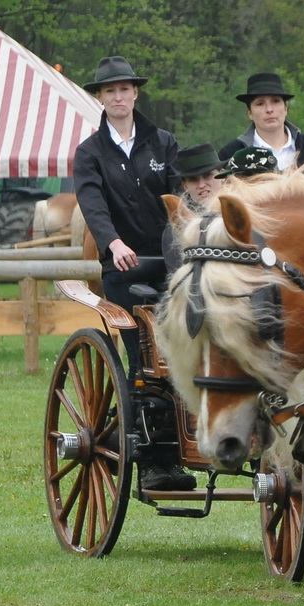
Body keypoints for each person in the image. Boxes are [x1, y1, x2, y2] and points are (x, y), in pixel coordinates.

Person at [73, 55, 193, 490]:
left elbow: (180, 198)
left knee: (186, 348)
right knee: (146, 358)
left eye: (124, 89)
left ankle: (188, 445)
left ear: (135, 93)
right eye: (110, 91)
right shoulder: (89, 154)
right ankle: (155, 461)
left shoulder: (163, 142)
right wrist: (113, 243)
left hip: (171, 261)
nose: (119, 97)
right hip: (123, 265)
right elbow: (93, 205)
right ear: (100, 98)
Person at [219, 73, 304, 172]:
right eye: (260, 103)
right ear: (249, 113)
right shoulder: (231, 154)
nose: (269, 109)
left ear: (286, 108)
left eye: (276, 101)